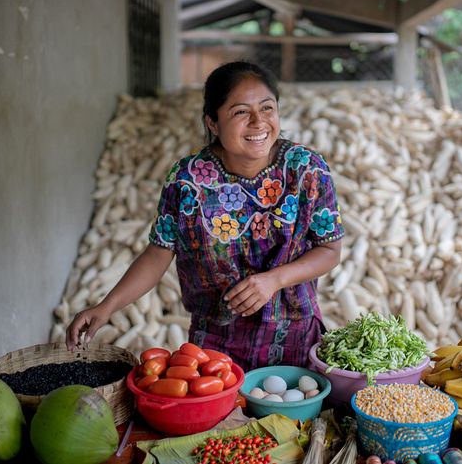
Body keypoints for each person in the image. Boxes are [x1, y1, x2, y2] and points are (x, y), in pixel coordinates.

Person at [66, 61, 344, 371]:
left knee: (290, 416)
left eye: (267, 108)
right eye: (240, 112)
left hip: (293, 333)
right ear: (212, 122)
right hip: (215, 342)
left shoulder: (306, 169)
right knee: (217, 415)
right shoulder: (188, 179)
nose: (258, 122)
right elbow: (159, 253)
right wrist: (107, 307)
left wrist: (274, 281)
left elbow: (330, 250)